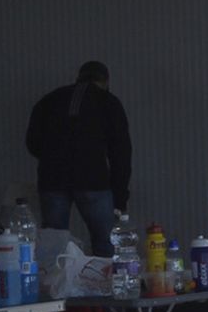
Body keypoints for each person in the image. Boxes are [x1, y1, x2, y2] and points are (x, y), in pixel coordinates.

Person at [24, 61, 131, 255]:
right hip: (93, 179)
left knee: (53, 245)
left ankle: (54, 283)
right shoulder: (108, 102)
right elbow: (121, 153)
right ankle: (108, 281)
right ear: (105, 81)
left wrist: (52, 157)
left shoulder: (50, 100)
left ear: (79, 77)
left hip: (53, 178)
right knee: (106, 244)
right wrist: (120, 198)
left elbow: (32, 142)